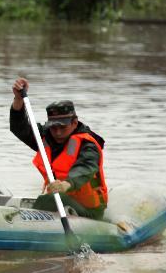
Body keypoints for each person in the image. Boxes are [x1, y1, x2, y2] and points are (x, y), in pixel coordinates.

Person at [9, 77, 108, 219]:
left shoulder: (88, 145)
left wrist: (67, 184)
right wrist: (18, 100)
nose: (58, 132)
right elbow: (19, 128)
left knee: (49, 199)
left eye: (62, 127)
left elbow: (86, 167)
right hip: (61, 201)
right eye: (53, 127)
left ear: (74, 122)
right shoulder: (45, 136)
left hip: (89, 209)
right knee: (51, 198)